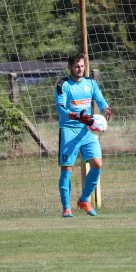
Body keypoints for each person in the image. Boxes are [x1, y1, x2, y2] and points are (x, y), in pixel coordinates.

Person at [55, 53, 112, 218]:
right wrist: (76, 116)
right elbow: (61, 109)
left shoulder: (91, 83)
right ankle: (66, 208)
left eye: (82, 66)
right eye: (76, 66)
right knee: (67, 169)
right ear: (70, 67)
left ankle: (84, 200)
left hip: (86, 131)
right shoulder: (63, 84)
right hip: (68, 131)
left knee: (97, 164)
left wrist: (106, 109)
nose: (80, 69)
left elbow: (100, 100)